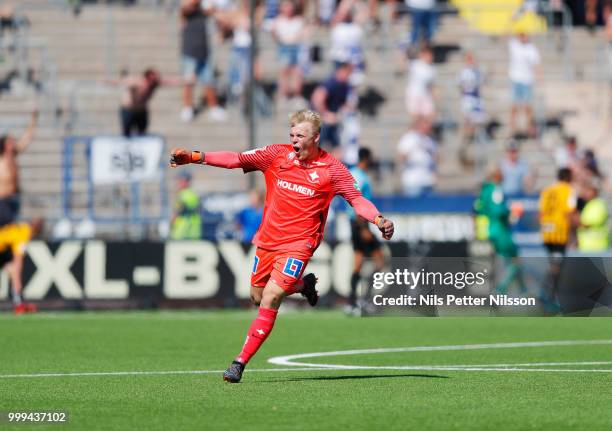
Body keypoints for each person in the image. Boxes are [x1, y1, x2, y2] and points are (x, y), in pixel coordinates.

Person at [170, 109, 394, 382]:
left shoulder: (333, 169)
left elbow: (356, 200)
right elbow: (235, 159)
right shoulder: (276, 155)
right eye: (292, 135)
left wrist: (378, 218)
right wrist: (195, 157)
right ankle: (303, 285)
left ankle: (239, 363)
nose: (295, 140)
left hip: (300, 244)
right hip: (268, 240)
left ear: (316, 137)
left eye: (301, 135)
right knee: (256, 296)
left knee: (272, 296)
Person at [474, 167, 526, 296]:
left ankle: (521, 290)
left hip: (489, 230)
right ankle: (500, 291)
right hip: (500, 230)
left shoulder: (484, 190)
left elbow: (478, 208)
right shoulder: (496, 190)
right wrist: (511, 212)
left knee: (504, 261)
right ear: (497, 175)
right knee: (516, 260)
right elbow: (498, 210)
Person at [347, 147, 385, 315]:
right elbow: (358, 202)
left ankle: (353, 302)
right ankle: (364, 300)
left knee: (358, 264)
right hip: (361, 224)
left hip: (355, 224)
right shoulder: (361, 177)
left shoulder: (351, 173)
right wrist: (363, 228)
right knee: (379, 262)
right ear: (366, 159)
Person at [180, 0, 227, 122]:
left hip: (204, 51)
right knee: (189, 81)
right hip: (189, 51)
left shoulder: (206, 13)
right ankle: (187, 108)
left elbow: (220, 16)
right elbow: (185, 8)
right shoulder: (189, 11)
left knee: (209, 81)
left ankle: (213, 107)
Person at [539, 168, 577, 310]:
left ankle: (549, 298)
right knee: (557, 267)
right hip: (559, 234)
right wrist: (574, 234)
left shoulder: (547, 190)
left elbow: (541, 213)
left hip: (547, 233)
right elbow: (569, 213)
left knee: (554, 266)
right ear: (569, 178)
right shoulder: (568, 190)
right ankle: (547, 298)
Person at [108, 68, 176, 137]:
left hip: (141, 111)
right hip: (128, 110)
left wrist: (185, 80)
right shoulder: (137, 83)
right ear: (146, 78)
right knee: (126, 134)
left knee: (142, 133)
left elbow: (170, 82)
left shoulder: (154, 84)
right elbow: (121, 82)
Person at [0, 110, 38, 227]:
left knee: (12, 228)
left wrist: (34, 120)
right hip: (2, 200)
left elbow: (27, 138)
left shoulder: (14, 156)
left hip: (14, 198)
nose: (13, 143)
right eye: (10, 142)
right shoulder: (1, 160)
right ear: (5, 145)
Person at [0, 218, 43, 314]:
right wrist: (18, 284)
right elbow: (18, 261)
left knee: (11, 269)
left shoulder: (22, 226)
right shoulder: (24, 234)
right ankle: (18, 302)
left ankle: (18, 301)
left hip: (3, 250)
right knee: (15, 273)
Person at [311, 62, 356, 153]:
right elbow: (317, 98)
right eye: (348, 72)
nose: (350, 75)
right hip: (321, 121)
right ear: (342, 70)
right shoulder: (332, 82)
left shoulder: (344, 86)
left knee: (337, 148)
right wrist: (325, 114)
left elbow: (342, 102)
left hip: (333, 121)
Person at [508, 33, 541, 138]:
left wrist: (539, 77)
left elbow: (536, 65)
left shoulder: (532, 49)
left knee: (528, 106)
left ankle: (529, 128)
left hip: (527, 80)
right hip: (515, 79)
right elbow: (505, 33)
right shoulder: (514, 44)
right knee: (514, 105)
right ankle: (513, 128)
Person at [397, 118, 437, 197]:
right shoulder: (409, 138)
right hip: (413, 181)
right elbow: (401, 157)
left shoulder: (429, 140)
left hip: (428, 180)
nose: (427, 129)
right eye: (424, 127)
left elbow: (435, 159)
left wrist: (434, 173)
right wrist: (412, 149)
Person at [577, 179, 609, 253]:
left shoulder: (599, 205)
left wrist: (570, 216)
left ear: (595, 191)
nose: (585, 192)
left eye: (588, 190)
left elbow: (586, 225)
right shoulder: (589, 204)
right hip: (587, 248)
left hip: (597, 249)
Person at [405, 44, 436, 123]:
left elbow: (431, 85)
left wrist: (433, 95)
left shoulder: (432, 69)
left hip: (425, 95)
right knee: (416, 119)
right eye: (428, 55)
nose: (430, 57)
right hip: (414, 94)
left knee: (429, 116)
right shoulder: (415, 64)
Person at [170, 171, 201, 240]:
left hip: (183, 232)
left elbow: (177, 212)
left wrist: (171, 224)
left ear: (185, 181)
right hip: (193, 232)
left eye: (180, 180)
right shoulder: (193, 194)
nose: (178, 183)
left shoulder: (183, 195)